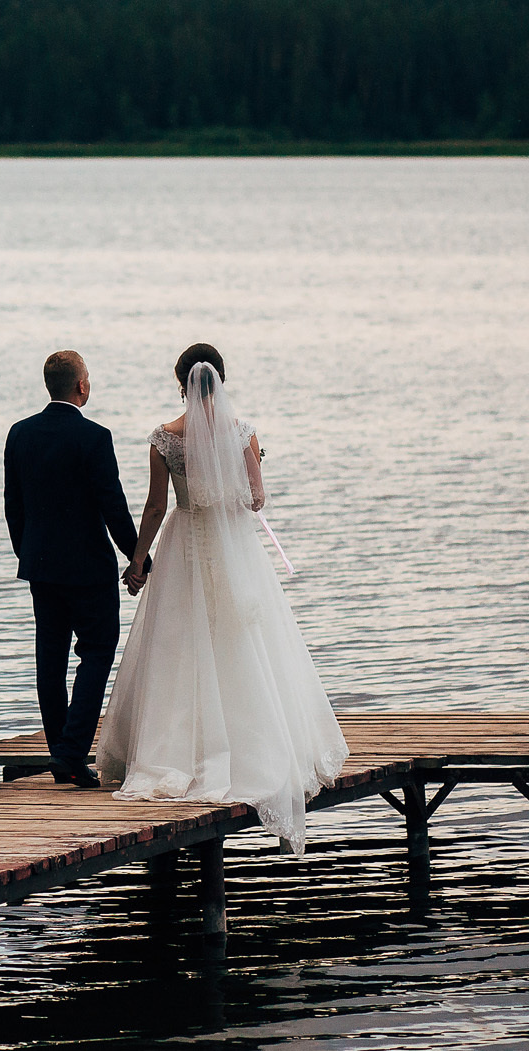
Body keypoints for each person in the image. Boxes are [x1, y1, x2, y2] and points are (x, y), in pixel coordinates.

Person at [96, 343, 347, 852]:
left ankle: (174, 754)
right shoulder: (243, 434)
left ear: (180, 381)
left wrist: (139, 561)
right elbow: (255, 500)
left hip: (184, 545)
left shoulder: (165, 438)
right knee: (243, 642)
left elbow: (153, 507)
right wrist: (248, 467)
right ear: (222, 381)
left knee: (180, 646)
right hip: (234, 549)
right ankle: (256, 748)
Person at [3, 350, 142, 788]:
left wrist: (27, 553)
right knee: (98, 651)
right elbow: (112, 506)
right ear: (81, 386)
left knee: (50, 656)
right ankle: (70, 752)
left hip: (40, 565)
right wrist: (137, 557)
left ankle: (61, 751)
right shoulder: (94, 437)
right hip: (89, 568)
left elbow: (13, 506)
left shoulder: (20, 433)